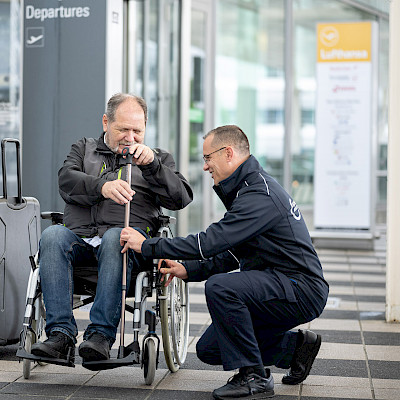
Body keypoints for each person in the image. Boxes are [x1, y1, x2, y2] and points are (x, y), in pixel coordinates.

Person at [121, 125, 329, 400]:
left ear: (228, 153)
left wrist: (147, 245)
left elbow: (210, 242)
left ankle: (254, 378)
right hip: (278, 282)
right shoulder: (248, 188)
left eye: (208, 158)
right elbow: (234, 251)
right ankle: (296, 348)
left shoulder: (259, 195)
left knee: (222, 288)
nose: (206, 166)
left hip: (299, 288)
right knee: (210, 349)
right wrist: (188, 269)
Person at [31, 93, 193, 364]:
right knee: (52, 234)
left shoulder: (159, 159)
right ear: (106, 122)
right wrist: (101, 187)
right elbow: (66, 181)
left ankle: (101, 336)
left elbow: (181, 198)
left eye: (137, 130)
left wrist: (153, 166)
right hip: (82, 243)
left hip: (130, 249)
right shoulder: (84, 148)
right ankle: (60, 335)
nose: (130, 137)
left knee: (115, 237)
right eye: (123, 129)